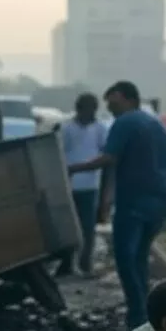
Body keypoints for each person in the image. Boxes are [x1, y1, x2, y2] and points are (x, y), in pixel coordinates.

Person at [68, 81, 166, 330]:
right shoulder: (158, 126)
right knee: (139, 258)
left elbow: (109, 158)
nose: (109, 107)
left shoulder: (125, 122)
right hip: (157, 203)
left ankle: (138, 315)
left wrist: (73, 168)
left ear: (125, 97)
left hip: (133, 203)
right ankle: (148, 314)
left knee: (126, 259)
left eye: (112, 101)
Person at [56, 93, 110, 278]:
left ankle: (85, 265)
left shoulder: (99, 129)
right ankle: (66, 264)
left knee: (88, 228)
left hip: (90, 186)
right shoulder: (66, 128)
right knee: (68, 227)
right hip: (68, 186)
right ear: (79, 110)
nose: (91, 114)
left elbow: (105, 155)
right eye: (88, 110)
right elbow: (59, 153)